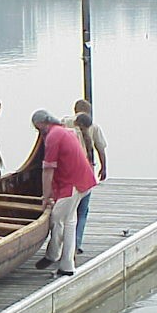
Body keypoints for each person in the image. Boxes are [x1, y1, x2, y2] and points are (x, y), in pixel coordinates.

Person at [32, 110, 97, 276]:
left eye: (38, 128)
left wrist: (46, 197)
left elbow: (48, 169)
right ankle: (67, 265)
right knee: (69, 222)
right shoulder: (65, 131)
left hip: (72, 184)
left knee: (56, 218)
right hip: (83, 180)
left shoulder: (53, 136)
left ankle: (52, 255)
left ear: (42, 123)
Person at [62, 99, 108, 254]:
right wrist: (104, 168)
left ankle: (65, 244)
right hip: (86, 174)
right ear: (89, 112)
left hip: (67, 173)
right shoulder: (94, 127)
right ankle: (77, 243)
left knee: (68, 211)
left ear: (74, 110)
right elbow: (101, 149)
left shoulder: (66, 123)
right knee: (82, 211)